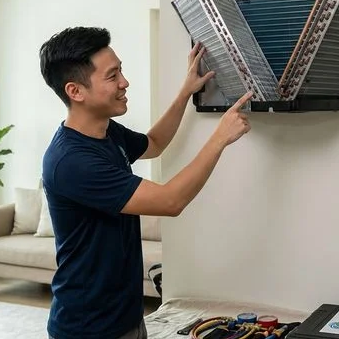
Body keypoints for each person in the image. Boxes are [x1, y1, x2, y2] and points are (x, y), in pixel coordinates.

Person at [39, 27, 252, 339]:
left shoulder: (107, 131)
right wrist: (219, 138)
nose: (124, 82)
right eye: (112, 76)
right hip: (88, 328)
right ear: (75, 91)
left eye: (120, 71)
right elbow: (170, 202)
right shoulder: (72, 161)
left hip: (125, 316)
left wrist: (184, 93)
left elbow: (153, 143)